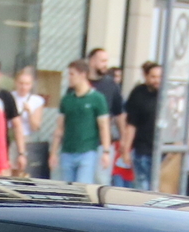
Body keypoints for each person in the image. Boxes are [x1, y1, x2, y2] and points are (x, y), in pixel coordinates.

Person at [55, 60, 110, 184]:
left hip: (87, 151)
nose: (69, 78)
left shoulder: (97, 98)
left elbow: (103, 126)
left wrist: (106, 151)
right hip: (67, 151)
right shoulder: (67, 99)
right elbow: (60, 127)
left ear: (83, 74)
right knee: (66, 188)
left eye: (72, 74)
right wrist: (53, 152)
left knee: (82, 187)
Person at [86, 48, 127, 181]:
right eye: (102, 61)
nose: (105, 64)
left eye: (106, 61)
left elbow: (119, 113)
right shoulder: (81, 82)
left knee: (101, 181)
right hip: (81, 143)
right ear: (92, 61)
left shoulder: (111, 85)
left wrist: (123, 138)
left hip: (102, 143)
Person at [122, 62, 162, 189]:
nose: (157, 80)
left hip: (163, 152)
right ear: (146, 77)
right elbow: (131, 124)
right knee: (143, 189)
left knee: (161, 190)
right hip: (142, 150)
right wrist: (126, 149)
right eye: (153, 77)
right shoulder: (138, 94)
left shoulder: (169, 95)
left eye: (160, 77)